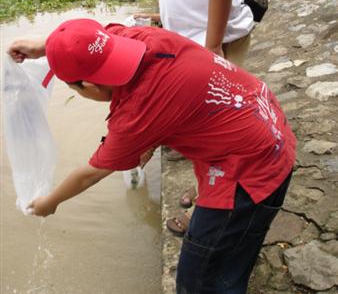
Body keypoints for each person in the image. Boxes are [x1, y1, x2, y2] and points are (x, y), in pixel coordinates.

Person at [8, 18, 296, 294]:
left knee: (200, 283)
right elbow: (85, 38)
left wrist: (50, 202)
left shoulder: (137, 113)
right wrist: (45, 45)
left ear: (89, 87)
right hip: (260, 113)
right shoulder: (137, 38)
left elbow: (89, 174)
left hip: (252, 169)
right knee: (233, 251)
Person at [119, 0, 256, 226]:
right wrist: (163, 17)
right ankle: (207, 196)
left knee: (217, 131)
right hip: (194, 44)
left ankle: (218, 214)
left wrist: (212, 49)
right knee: (202, 131)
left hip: (216, 45)